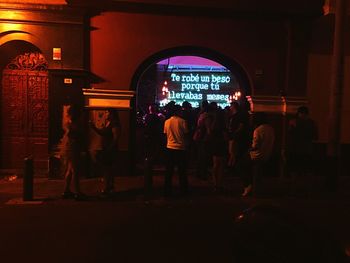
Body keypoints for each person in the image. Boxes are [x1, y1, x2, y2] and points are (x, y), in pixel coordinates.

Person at [241, 112, 275, 197]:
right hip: (267, 154)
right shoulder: (271, 128)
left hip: (256, 155)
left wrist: (248, 150)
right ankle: (254, 187)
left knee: (241, 165)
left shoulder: (258, 130)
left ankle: (248, 185)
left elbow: (255, 146)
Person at [89, 109, 121, 196]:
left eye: (107, 112)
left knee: (108, 169)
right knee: (107, 169)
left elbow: (116, 137)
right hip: (107, 149)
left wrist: (110, 148)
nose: (106, 114)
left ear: (112, 114)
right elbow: (103, 133)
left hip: (110, 150)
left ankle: (108, 187)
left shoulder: (115, 124)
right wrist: (94, 128)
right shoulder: (109, 123)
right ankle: (110, 187)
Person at [60, 104, 85, 200]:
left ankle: (66, 191)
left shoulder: (67, 120)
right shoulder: (73, 122)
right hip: (73, 147)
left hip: (69, 147)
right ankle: (77, 192)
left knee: (70, 169)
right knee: (75, 170)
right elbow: (72, 134)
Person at [163, 104, 189, 197]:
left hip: (170, 147)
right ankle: (183, 190)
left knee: (169, 171)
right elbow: (186, 135)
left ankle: (167, 190)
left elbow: (165, 135)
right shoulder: (183, 121)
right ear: (178, 111)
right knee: (182, 171)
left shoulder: (167, 122)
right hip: (181, 148)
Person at [286, 106, 318, 177]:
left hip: (296, 149)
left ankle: (295, 183)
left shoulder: (294, 122)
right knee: (306, 169)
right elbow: (315, 136)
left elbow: (290, 134)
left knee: (295, 169)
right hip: (307, 149)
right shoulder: (312, 123)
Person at [205, 102, 228, 192]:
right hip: (220, 141)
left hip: (214, 141)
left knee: (216, 164)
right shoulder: (221, 118)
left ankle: (216, 183)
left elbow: (209, 131)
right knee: (221, 164)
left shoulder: (209, 117)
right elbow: (225, 131)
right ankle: (219, 183)